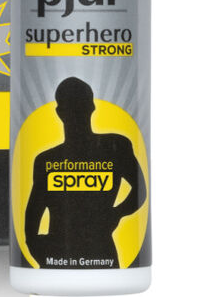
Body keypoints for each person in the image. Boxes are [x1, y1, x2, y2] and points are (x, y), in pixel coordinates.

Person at [25, 77, 146, 268]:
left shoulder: (115, 146)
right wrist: (37, 248)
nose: (77, 113)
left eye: (80, 106)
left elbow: (140, 189)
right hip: (59, 251)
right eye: (72, 107)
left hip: (99, 249)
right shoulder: (46, 160)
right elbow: (34, 212)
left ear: (91, 107)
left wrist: (115, 214)